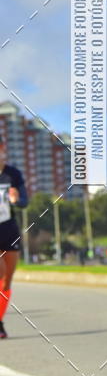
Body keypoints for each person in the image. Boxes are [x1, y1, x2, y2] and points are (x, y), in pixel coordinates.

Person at [0, 137, 28, 339]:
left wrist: (16, 200)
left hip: (9, 229)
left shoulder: (13, 174)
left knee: (6, 282)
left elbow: (24, 202)